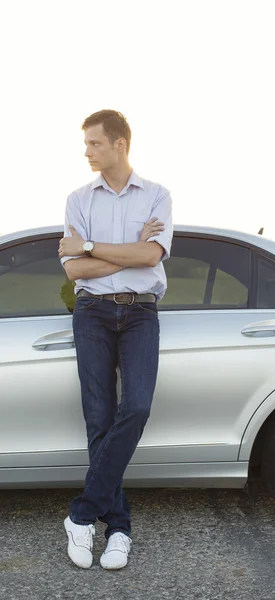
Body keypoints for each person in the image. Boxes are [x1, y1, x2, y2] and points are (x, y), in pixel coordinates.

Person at [58, 109, 173, 570]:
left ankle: (82, 514)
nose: (86, 151)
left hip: (141, 313)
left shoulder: (157, 196)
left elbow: (152, 256)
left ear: (119, 144)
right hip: (92, 314)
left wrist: (90, 247)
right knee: (98, 420)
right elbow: (74, 269)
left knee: (138, 407)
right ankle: (118, 529)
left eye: (93, 143)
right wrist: (131, 255)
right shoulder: (78, 199)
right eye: (86, 144)